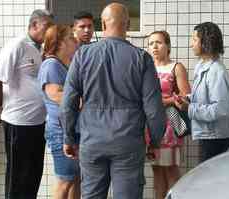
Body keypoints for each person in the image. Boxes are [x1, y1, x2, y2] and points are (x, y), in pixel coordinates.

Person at [60, 3, 166, 199]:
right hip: (128, 142)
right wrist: (155, 141)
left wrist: (68, 137)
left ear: (103, 23)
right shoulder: (141, 58)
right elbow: (154, 108)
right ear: (127, 24)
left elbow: (68, 103)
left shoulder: (82, 55)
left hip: (92, 140)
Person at [0, 9, 53, 199]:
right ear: (34, 25)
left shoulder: (40, 49)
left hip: (38, 123)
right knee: (18, 177)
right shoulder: (16, 45)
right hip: (18, 123)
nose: (49, 32)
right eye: (46, 27)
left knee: (33, 175)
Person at [179, 22, 229, 162]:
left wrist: (189, 108)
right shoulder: (202, 66)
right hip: (209, 134)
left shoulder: (216, 71)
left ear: (206, 42)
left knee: (210, 181)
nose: (191, 44)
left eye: (195, 40)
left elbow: (220, 108)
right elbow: (204, 96)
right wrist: (187, 98)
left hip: (216, 137)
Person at [147, 31, 191, 199]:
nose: (155, 47)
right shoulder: (147, 66)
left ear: (168, 46)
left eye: (159, 42)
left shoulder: (176, 67)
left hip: (170, 126)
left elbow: (186, 96)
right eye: (151, 43)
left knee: (171, 170)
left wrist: (163, 101)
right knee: (156, 171)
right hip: (150, 127)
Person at [38, 25, 79, 199]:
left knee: (75, 179)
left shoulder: (63, 65)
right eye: (71, 37)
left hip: (70, 130)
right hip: (60, 132)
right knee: (65, 181)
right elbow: (56, 95)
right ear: (60, 43)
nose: (75, 40)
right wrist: (85, 101)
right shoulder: (51, 64)